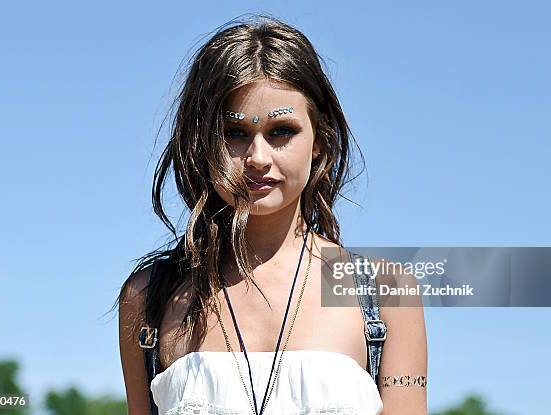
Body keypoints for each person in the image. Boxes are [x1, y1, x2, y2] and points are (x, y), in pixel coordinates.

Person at [115, 14, 427, 415]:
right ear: (201, 144)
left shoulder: (387, 294)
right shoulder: (147, 298)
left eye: (281, 131)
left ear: (319, 139)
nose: (258, 158)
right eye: (234, 133)